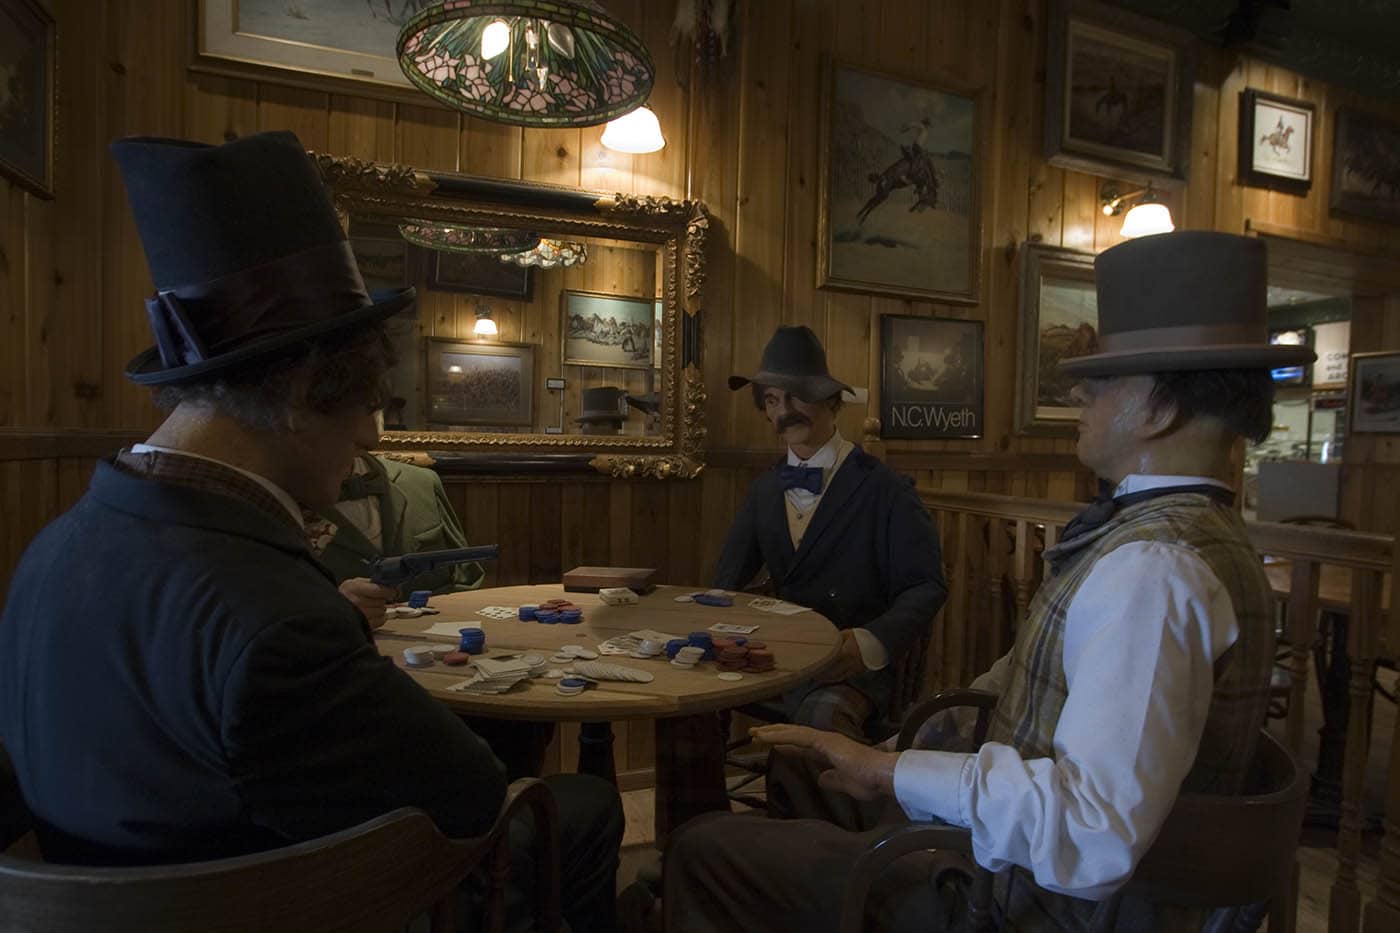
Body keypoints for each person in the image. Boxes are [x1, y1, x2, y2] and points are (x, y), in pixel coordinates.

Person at [0, 131, 621, 933]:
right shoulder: (278, 623)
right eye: (362, 402)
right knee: (585, 804)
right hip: (286, 907)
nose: (369, 438)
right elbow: (468, 792)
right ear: (297, 391)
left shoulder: (50, 551)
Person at [664, 231, 1311, 932]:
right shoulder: (1205, 540)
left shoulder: (1154, 570)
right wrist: (902, 760)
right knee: (804, 770)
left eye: (1103, 377)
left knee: (704, 848)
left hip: (1006, 901)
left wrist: (892, 771)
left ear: (1159, 407)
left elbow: (1091, 830)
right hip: (1024, 865)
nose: (1078, 392)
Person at [714, 325, 946, 738]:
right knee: (692, 699)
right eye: (771, 399)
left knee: (819, 719)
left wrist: (869, 642)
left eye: (796, 395)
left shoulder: (885, 489)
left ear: (830, 399)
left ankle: (813, 803)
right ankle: (702, 805)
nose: (784, 410)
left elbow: (926, 585)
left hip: (851, 671)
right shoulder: (765, 490)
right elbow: (726, 582)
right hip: (779, 656)